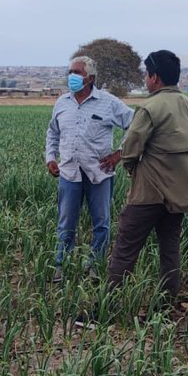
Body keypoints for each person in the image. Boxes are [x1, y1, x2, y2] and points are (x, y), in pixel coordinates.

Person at [107, 50, 188, 299]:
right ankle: (167, 302)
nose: (146, 80)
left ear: (154, 77)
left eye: (147, 75)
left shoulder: (149, 108)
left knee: (125, 248)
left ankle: (108, 303)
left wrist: (132, 170)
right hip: (180, 193)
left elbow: (130, 150)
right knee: (170, 249)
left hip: (148, 193)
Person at [44, 56, 134, 282]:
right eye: (70, 72)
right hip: (69, 173)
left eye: (77, 72)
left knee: (101, 223)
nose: (72, 76)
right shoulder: (62, 103)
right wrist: (50, 157)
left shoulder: (108, 102)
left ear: (91, 78)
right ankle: (60, 265)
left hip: (99, 173)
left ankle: (94, 267)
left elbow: (135, 124)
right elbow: (52, 132)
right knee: (66, 223)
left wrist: (120, 153)